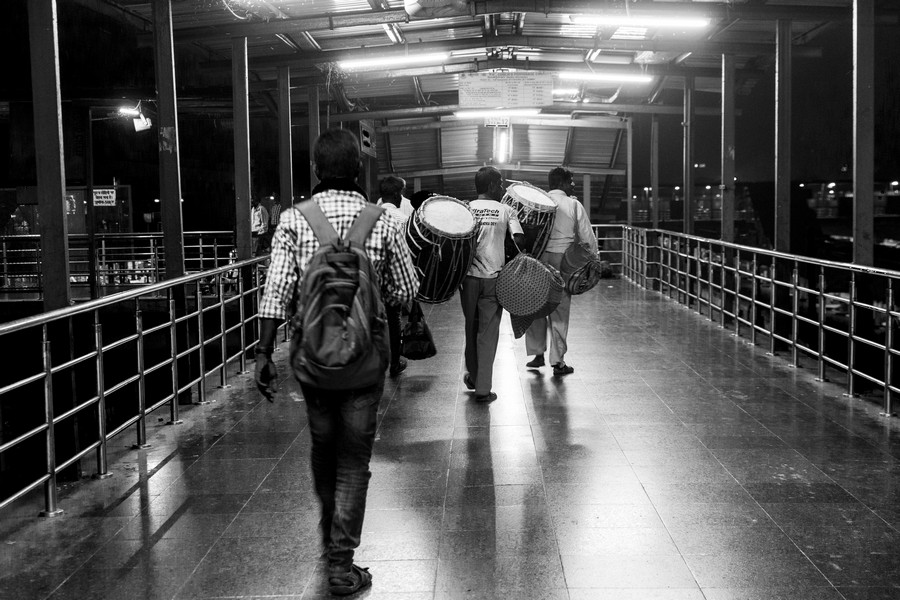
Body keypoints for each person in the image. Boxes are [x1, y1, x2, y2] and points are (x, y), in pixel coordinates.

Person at [254, 128, 418, 597]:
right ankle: (341, 565)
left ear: (315, 170)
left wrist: (264, 352)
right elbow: (406, 291)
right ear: (358, 169)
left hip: (313, 362)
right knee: (354, 460)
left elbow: (276, 290)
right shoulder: (382, 221)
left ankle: (330, 540)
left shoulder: (294, 219)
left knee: (324, 452)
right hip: (365, 363)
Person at [525, 166, 597, 375]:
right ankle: (557, 362)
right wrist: (594, 259)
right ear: (562, 183)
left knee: (537, 306)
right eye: (571, 181)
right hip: (563, 261)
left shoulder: (538, 202)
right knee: (560, 311)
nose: (573, 184)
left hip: (539, 259)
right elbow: (587, 236)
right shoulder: (573, 205)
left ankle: (537, 353)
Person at [461, 166, 525, 402]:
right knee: (487, 334)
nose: (502, 189)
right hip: (493, 280)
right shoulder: (506, 210)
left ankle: (473, 375)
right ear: (490, 186)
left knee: (471, 328)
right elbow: (519, 240)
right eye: (500, 184)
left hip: (468, 279)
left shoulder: (466, 208)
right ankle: (483, 388)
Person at [378, 175, 413, 376]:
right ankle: (394, 362)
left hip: (370, 276)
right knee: (393, 319)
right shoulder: (402, 219)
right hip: (392, 277)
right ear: (397, 194)